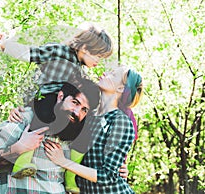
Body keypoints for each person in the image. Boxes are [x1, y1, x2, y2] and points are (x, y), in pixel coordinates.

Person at [0, 78, 101, 193]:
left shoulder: (76, 137)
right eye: (75, 102)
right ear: (61, 97)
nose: (77, 112)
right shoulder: (25, 120)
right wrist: (19, 148)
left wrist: (120, 168)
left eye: (84, 110)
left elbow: (102, 172)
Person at [44, 65, 143, 194]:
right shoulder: (87, 115)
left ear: (120, 88)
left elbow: (108, 177)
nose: (105, 72)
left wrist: (64, 162)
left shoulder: (120, 121)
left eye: (112, 74)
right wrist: (22, 113)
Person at [0, 24, 113, 106]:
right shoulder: (59, 51)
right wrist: (6, 44)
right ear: (85, 48)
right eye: (99, 56)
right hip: (36, 103)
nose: (98, 62)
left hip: (52, 111)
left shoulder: (78, 70)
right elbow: (30, 53)